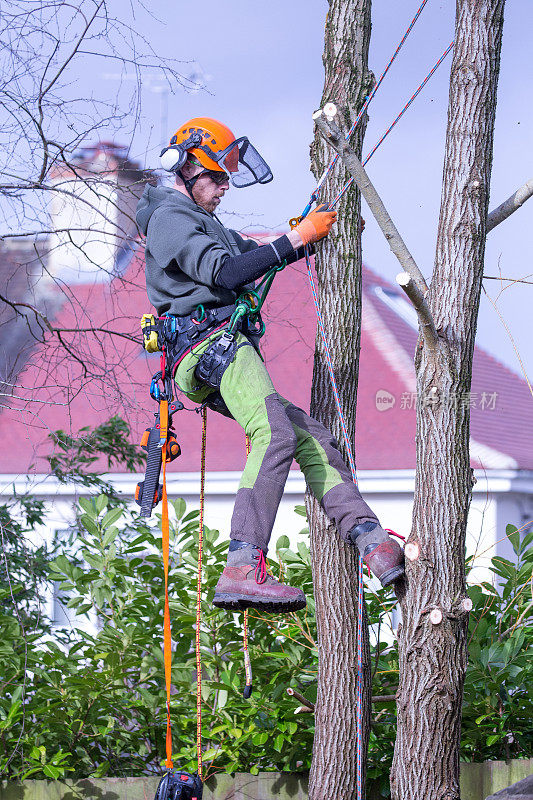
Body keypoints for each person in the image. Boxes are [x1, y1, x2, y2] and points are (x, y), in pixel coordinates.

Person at [136, 117, 405, 614]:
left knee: (310, 435)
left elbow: (253, 256)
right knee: (274, 434)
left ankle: (371, 540)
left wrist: (296, 235)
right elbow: (227, 271)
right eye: (216, 177)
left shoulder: (205, 221)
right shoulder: (170, 217)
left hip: (217, 348)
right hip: (206, 346)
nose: (224, 187)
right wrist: (296, 239)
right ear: (188, 167)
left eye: (227, 178)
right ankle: (241, 566)